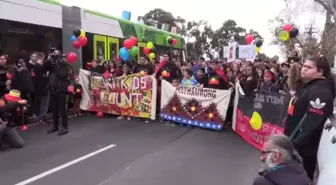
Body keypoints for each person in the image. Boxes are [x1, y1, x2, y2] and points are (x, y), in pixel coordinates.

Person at [284, 56, 336, 180]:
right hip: (296, 144)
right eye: (304, 66)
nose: (303, 69)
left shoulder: (320, 91)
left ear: (320, 71)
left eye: (309, 67)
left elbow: (313, 122)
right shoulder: (309, 86)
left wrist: (295, 144)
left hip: (304, 150)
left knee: (298, 179)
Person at [44, 50, 71, 136]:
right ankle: (55, 126)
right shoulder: (53, 64)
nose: (55, 57)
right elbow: (44, 67)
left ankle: (64, 127)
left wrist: (56, 64)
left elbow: (61, 74)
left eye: (56, 55)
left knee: (62, 110)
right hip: (53, 89)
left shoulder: (65, 65)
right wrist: (48, 60)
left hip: (61, 89)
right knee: (54, 109)